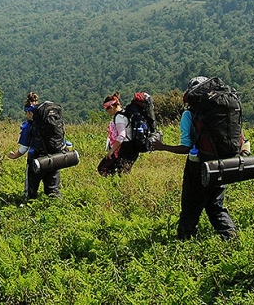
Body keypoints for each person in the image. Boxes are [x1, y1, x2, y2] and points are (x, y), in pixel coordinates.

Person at [152, 77, 238, 241]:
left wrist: (162, 147)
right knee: (215, 205)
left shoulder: (189, 114)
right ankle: (231, 238)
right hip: (224, 164)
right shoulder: (222, 109)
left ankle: (184, 241)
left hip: (198, 165)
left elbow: (186, 147)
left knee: (190, 206)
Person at [8, 92, 61, 200]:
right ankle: (56, 207)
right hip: (54, 159)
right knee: (53, 191)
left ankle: (29, 209)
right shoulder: (50, 124)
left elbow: (24, 148)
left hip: (36, 161)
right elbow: (62, 141)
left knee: (31, 192)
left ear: (29, 112)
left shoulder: (29, 126)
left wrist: (14, 156)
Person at [98, 92, 141, 176]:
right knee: (122, 173)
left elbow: (121, 135)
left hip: (126, 148)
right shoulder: (125, 113)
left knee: (103, 169)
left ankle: (112, 186)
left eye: (107, 109)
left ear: (112, 107)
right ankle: (118, 186)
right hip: (133, 148)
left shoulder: (119, 118)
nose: (107, 111)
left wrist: (111, 151)